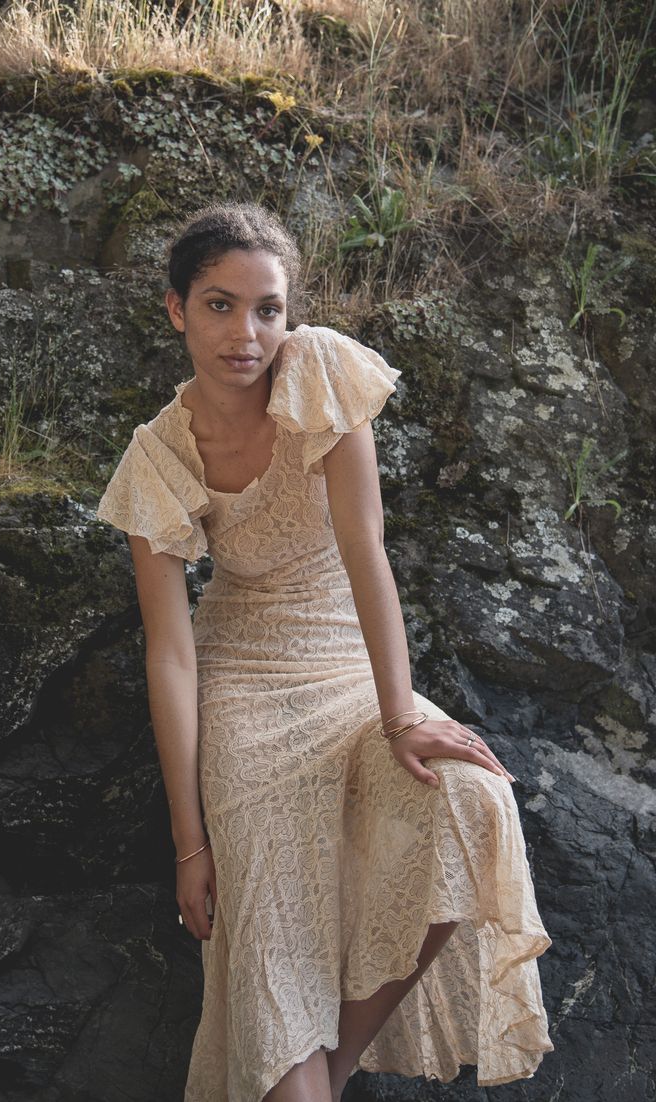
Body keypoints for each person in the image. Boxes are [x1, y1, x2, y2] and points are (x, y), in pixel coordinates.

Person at [95, 200, 554, 1102]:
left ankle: (331, 1068)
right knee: (263, 937)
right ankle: (302, 1080)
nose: (248, 332)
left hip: (348, 667)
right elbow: (172, 655)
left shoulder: (324, 379)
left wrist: (400, 718)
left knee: (471, 801)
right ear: (176, 310)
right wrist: (191, 843)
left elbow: (364, 551)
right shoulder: (155, 456)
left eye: (268, 307)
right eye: (220, 305)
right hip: (242, 685)